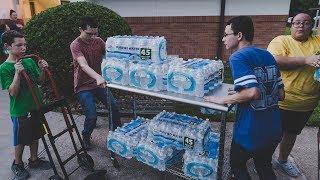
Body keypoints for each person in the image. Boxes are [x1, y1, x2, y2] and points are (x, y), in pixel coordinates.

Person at [204, 16, 285, 179]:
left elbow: (252, 92)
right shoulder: (267, 55)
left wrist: (222, 100)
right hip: (274, 128)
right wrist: (240, 93)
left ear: (239, 35)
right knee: (264, 166)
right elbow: (281, 94)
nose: (223, 39)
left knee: (238, 167)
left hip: (251, 131)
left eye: (227, 35)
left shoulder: (238, 57)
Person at [267, 12, 320, 177]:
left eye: (305, 23)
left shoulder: (317, 41)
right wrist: (305, 60)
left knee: (291, 134)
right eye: (297, 23)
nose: (301, 26)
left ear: (312, 26)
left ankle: (282, 161)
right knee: (271, 134)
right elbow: (273, 60)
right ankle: (263, 161)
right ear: (291, 25)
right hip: (280, 100)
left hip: (306, 103)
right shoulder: (282, 40)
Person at [0, 30, 51, 179]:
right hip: (20, 110)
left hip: (36, 106)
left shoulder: (28, 60)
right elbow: (13, 92)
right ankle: (18, 164)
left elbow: (40, 82)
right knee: (20, 140)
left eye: (25, 45)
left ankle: (34, 160)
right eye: (19, 45)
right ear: (7, 46)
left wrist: (42, 70)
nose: (23, 48)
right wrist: (17, 73)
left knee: (36, 134)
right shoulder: (4, 68)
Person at [70, 16, 122, 150]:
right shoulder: (75, 45)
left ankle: (116, 135)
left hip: (99, 82)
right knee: (92, 116)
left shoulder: (98, 41)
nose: (92, 37)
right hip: (83, 86)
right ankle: (86, 136)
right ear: (80, 30)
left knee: (114, 106)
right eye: (89, 34)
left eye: (95, 33)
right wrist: (97, 76)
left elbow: (111, 57)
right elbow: (83, 64)